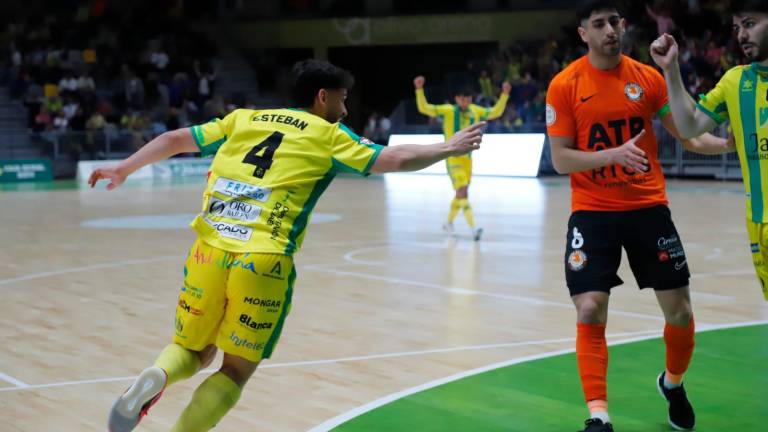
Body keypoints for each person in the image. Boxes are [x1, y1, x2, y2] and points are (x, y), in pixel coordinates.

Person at [92, 59, 485, 432]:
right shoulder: (328, 134)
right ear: (322, 97)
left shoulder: (243, 118)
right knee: (233, 370)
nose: (345, 109)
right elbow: (395, 159)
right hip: (264, 258)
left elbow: (177, 138)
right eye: (342, 99)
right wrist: (448, 147)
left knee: (193, 350)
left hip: (208, 250)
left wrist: (124, 168)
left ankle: (158, 375)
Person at [545, 1, 730, 431]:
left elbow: (687, 134)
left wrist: (726, 144)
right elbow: (560, 160)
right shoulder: (564, 85)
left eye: (615, 22)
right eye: (599, 24)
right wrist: (613, 155)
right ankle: (598, 415)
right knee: (589, 307)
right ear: (583, 33)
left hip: (648, 209)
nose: (610, 30)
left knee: (680, 313)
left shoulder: (646, 78)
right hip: (592, 212)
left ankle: (673, 383)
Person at [650, 0, 768, 302]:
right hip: (757, 222)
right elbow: (689, 128)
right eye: (737, 27)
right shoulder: (735, 81)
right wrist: (671, 69)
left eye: (750, 24)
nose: (741, 34)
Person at [413, 75, 511, 240]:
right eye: (462, 98)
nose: (465, 101)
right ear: (456, 98)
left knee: (461, 194)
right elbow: (424, 108)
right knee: (463, 191)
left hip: (468, 160)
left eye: (468, 98)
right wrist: (419, 89)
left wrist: (504, 94)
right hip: (452, 158)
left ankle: (448, 223)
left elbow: (496, 112)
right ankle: (474, 228)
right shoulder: (448, 111)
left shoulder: (476, 111)